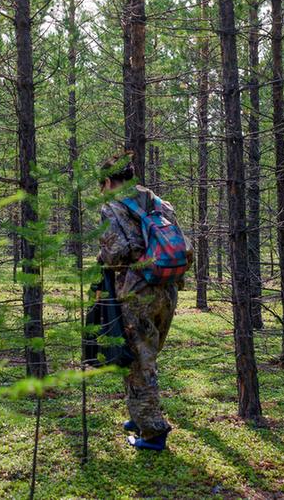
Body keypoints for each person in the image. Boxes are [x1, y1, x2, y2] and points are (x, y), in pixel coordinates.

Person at [97, 151, 187, 452]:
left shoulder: (113, 208)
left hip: (137, 292)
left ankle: (152, 432)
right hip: (167, 288)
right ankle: (139, 415)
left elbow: (116, 253)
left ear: (109, 181)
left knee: (138, 362)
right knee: (147, 357)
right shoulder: (158, 202)